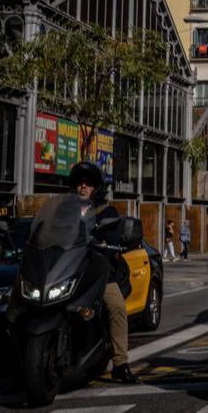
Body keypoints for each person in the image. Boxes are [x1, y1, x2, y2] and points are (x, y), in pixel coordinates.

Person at [69, 161, 140, 384]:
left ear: (96, 188)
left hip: (98, 274)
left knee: (117, 307)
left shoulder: (106, 211)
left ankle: (120, 363)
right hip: (68, 272)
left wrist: (102, 246)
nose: (83, 187)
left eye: (88, 183)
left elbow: (112, 242)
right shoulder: (65, 210)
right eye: (79, 183)